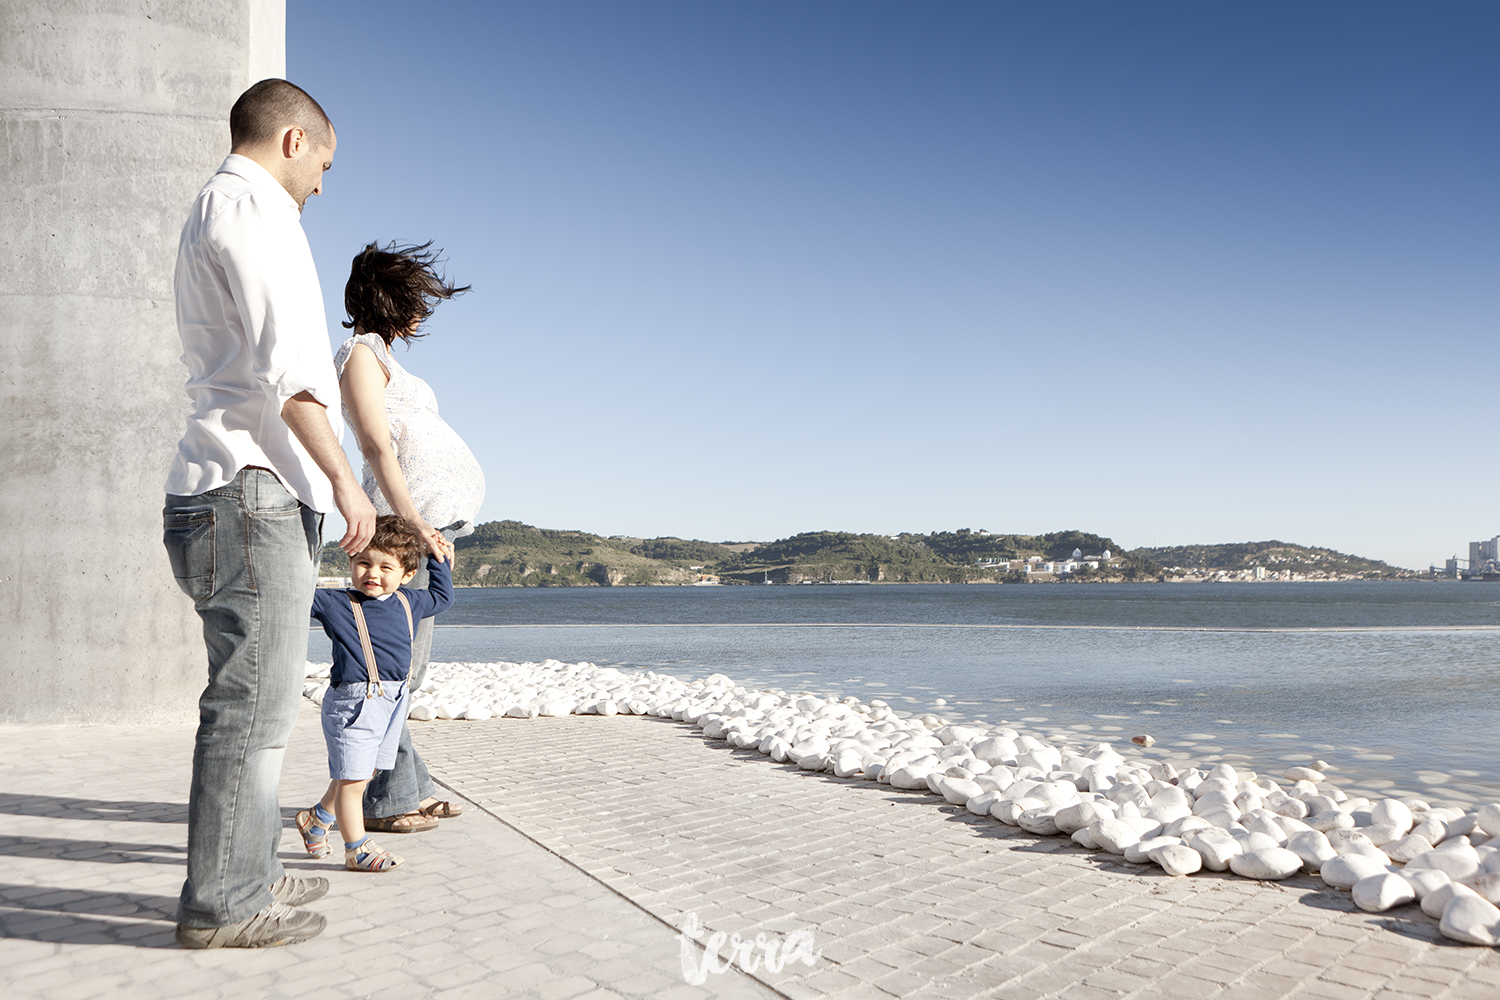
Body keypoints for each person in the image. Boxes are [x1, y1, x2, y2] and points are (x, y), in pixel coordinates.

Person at [163, 79, 376, 949]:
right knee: (249, 712)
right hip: (250, 491)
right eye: (325, 163)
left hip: (234, 492)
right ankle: (223, 905)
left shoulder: (219, 210)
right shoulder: (252, 212)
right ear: (294, 141)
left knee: (253, 706)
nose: (323, 185)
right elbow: (292, 378)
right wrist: (349, 483)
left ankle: (242, 875)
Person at [333, 242, 485, 834]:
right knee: (393, 673)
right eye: (414, 298)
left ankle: (409, 787)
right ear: (386, 297)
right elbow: (375, 444)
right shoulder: (360, 353)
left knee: (404, 673)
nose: (421, 310)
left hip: (424, 525)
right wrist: (414, 521)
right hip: (405, 527)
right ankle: (388, 798)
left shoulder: (384, 356)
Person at [297, 516, 454, 871]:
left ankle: (317, 818)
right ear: (351, 563)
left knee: (361, 774)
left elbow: (443, 598)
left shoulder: (408, 602)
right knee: (354, 781)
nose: (373, 573)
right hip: (354, 703)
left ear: (407, 574)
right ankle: (357, 848)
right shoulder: (335, 603)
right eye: (363, 563)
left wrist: (438, 555)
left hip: (394, 701)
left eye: (386, 567)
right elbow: (294, 593)